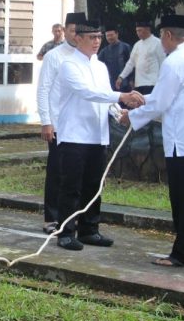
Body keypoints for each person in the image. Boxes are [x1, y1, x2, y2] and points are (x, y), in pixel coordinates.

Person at [120, 15, 184, 267]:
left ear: (167, 35)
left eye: (162, 38)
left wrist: (130, 116)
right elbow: (167, 95)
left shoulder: (174, 61)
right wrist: (141, 102)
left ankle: (183, 254)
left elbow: (161, 101)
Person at [53, 20, 144, 250]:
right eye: (91, 37)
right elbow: (88, 92)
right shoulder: (68, 65)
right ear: (77, 38)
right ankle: (65, 232)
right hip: (74, 135)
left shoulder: (101, 66)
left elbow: (105, 98)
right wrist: (121, 96)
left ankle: (89, 230)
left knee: (94, 184)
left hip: (97, 135)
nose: (96, 42)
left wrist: (120, 114)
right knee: (71, 186)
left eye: (98, 38)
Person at [36, 11, 85, 234]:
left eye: (81, 32)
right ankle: (52, 218)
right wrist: (46, 121)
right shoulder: (54, 56)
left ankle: (73, 217)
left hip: (80, 126)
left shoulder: (87, 57)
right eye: (74, 31)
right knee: (57, 171)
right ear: (65, 31)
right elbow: (43, 90)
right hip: (57, 124)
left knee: (78, 173)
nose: (77, 36)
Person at [116, 21, 165, 94]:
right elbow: (130, 63)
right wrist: (121, 77)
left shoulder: (158, 43)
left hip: (153, 83)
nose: (138, 33)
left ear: (147, 29)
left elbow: (163, 62)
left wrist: (163, 81)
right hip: (139, 83)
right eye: (137, 31)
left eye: (140, 30)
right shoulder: (137, 45)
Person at [97, 25, 132, 91]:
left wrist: (131, 80)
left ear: (117, 34)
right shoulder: (104, 51)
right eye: (107, 36)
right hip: (111, 84)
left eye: (111, 35)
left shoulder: (126, 47)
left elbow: (132, 64)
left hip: (126, 83)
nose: (110, 37)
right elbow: (96, 63)